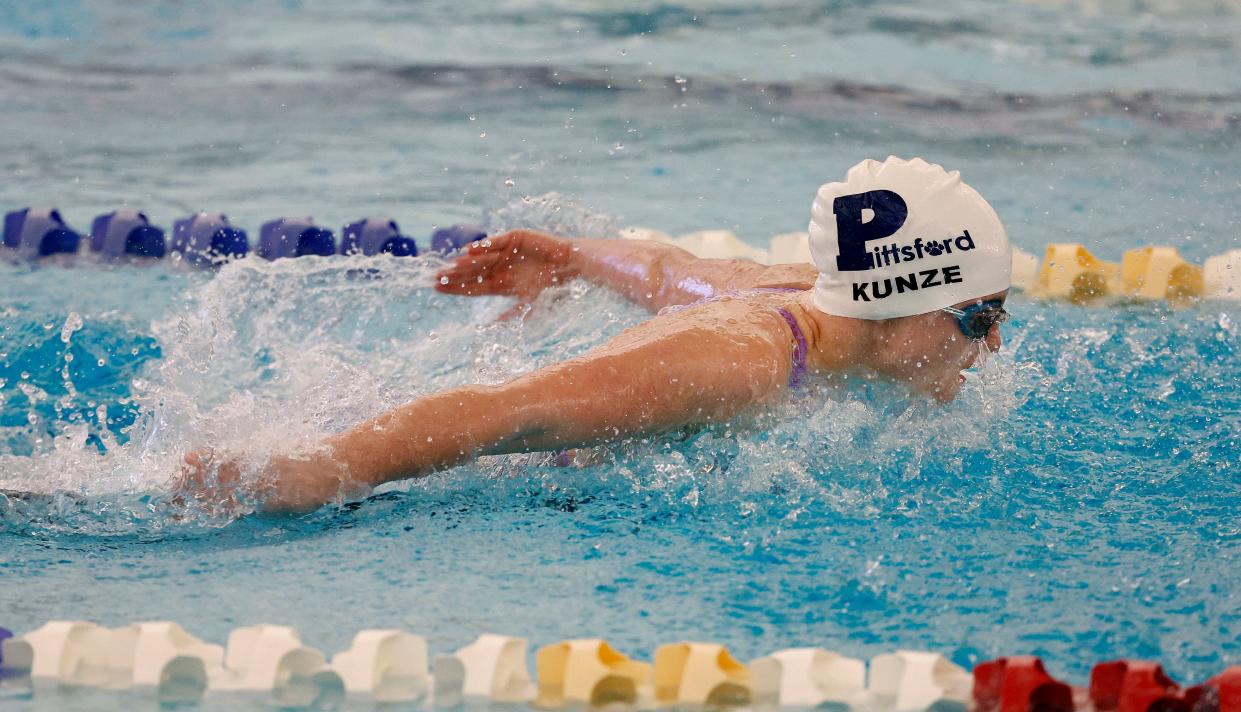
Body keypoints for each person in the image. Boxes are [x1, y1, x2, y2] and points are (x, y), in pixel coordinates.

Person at [179, 156, 1012, 514]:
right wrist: (320, 469)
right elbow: (504, 414)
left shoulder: (802, 295)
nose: (994, 342)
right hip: (502, 457)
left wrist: (571, 256)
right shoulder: (738, 361)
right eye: (979, 317)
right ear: (899, 305)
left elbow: (662, 270)